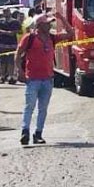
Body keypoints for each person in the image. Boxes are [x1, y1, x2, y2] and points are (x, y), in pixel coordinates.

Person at [15, 12, 69, 146]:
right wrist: (19, 71)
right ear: (40, 25)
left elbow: (70, 33)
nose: (49, 25)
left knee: (43, 109)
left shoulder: (52, 38)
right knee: (30, 107)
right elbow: (18, 53)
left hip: (47, 79)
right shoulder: (29, 38)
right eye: (47, 23)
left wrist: (62, 18)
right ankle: (25, 132)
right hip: (32, 79)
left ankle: (38, 133)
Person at [0, 11, 19, 83]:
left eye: (7, 11)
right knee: (2, 61)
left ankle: (11, 76)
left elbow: (13, 33)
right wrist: (7, 32)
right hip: (2, 44)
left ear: (10, 12)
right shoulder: (0, 21)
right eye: (4, 12)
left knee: (11, 61)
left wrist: (2, 32)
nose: (5, 13)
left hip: (12, 45)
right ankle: (2, 76)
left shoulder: (15, 22)